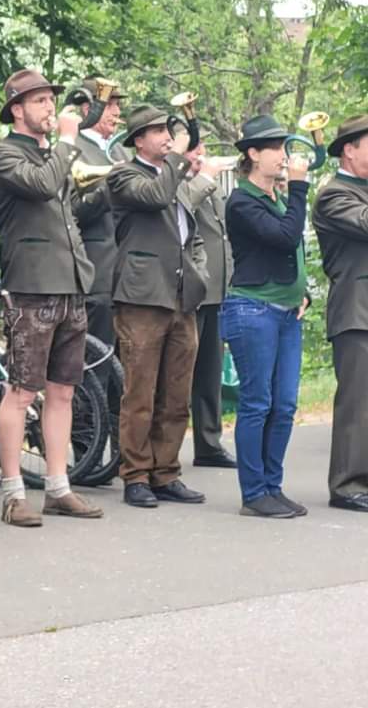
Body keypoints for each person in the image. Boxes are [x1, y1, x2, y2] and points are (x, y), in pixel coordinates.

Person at [0, 69, 103, 526]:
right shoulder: (1, 153)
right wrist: (70, 144)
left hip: (70, 282)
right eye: (39, 102)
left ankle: (58, 487)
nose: (49, 109)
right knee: (21, 392)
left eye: (50, 101)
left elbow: (64, 207)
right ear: (17, 109)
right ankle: (14, 493)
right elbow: (41, 186)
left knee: (63, 392)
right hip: (33, 286)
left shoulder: (50, 153)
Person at [108, 105, 209, 508]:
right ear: (138, 141)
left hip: (181, 295)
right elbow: (154, 197)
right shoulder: (123, 175)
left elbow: (189, 230)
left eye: (168, 129)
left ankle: (166, 472)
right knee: (141, 391)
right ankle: (135, 475)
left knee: (176, 392)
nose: (167, 136)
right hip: (141, 296)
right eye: (156, 131)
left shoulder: (173, 175)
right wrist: (177, 161)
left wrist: (200, 272)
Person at [221, 114, 310, 517]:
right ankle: (254, 493)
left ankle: (273, 486)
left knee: (285, 404)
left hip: (285, 312)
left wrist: (301, 290)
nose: (283, 156)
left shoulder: (274, 197)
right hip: (252, 309)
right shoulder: (241, 201)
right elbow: (284, 237)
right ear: (253, 154)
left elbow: (288, 253)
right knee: (258, 402)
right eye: (275, 148)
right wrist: (300, 189)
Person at [311, 114, 368, 512]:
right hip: (357, 309)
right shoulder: (334, 194)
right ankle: (347, 485)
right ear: (349, 150)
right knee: (357, 402)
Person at [179, 141, 237, 468]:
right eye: (193, 148)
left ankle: (209, 443)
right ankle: (163, 450)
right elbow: (183, 206)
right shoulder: (175, 180)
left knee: (210, 372)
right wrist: (206, 177)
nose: (200, 153)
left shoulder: (207, 182)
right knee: (179, 372)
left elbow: (223, 233)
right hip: (190, 289)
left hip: (216, 290)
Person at [69, 77, 129, 354]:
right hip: (98, 273)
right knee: (97, 365)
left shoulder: (119, 149)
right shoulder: (72, 149)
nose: (117, 113)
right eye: (110, 105)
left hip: (127, 276)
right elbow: (73, 213)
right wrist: (110, 186)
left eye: (117, 105)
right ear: (87, 110)